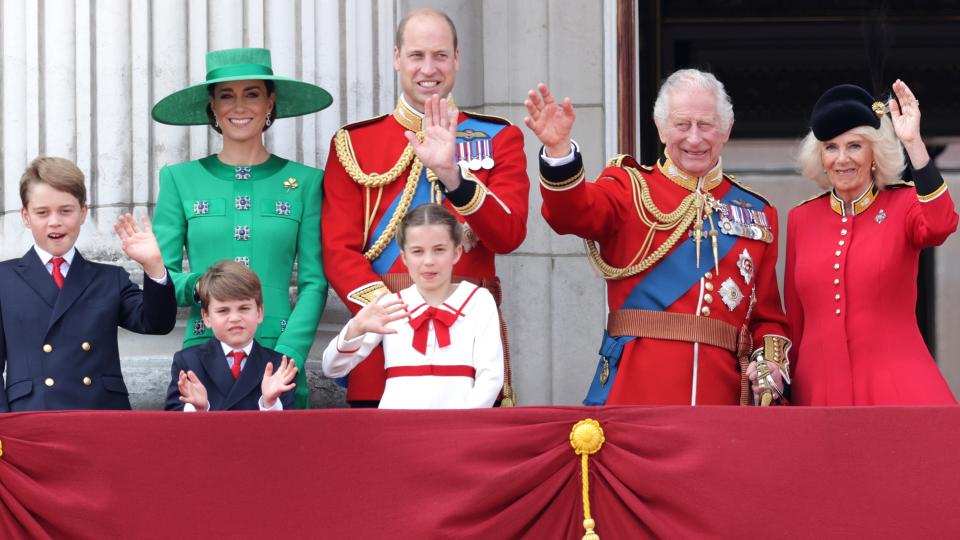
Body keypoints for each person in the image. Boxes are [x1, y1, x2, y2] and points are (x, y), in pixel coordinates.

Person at [525, 69, 790, 406]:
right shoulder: (628, 188)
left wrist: (770, 364)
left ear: (726, 130)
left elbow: (768, 318)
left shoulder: (757, 213)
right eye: (682, 125)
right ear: (661, 128)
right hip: (636, 394)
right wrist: (559, 152)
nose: (694, 139)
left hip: (720, 400)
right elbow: (571, 213)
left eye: (706, 125)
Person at [322, 8, 528, 407]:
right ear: (397, 58)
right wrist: (391, 315)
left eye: (440, 55)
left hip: (468, 341)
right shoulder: (354, 144)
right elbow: (337, 251)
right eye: (417, 55)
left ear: (457, 58)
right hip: (385, 344)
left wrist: (454, 177)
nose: (428, 68)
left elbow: (509, 234)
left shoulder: (499, 137)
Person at [151, 47, 332, 408]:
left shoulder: (307, 182)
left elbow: (315, 282)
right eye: (226, 95)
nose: (239, 106)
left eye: (252, 94)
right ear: (212, 106)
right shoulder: (178, 180)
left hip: (280, 362)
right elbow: (162, 278)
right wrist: (201, 284)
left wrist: (287, 354)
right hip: (204, 356)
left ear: (270, 102)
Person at [786, 81, 957, 405]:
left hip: (896, 386)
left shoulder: (903, 204)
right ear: (820, 157)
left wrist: (913, 143)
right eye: (831, 147)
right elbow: (796, 321)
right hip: (818, 391)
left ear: (874, 153)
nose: (842, 159)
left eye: (854, 146)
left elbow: (941, 224)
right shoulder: (801, 219)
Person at [0, 156, 177, 411]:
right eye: (42, 212)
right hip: (32, 417)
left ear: (83, 213)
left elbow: (157, 323)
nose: (55, 221)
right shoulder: (5, 278)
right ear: (26, 217)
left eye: (66, 210)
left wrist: (154, 266)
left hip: (100, 414)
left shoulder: (109, 278)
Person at [322, 204, 503, 409]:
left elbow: (491, 377)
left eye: (439, 250)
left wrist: (461, 426)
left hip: (460, 430)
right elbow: (332, 368)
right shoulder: (390, 305)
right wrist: (356, 327)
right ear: (404, 258)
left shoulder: (479, 301)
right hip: (397, 430)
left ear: (456, 253)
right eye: (417, 251)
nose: (428, 261)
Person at [165, 261, 297, 411]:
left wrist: (270, 403)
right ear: (206, 317)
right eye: (223, 311)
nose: (234, 318)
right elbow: (172, 425)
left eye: (244, 308)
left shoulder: (279, 365)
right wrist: (199, 409)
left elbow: (289, 430)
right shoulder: (188, 362)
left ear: (259, 312)